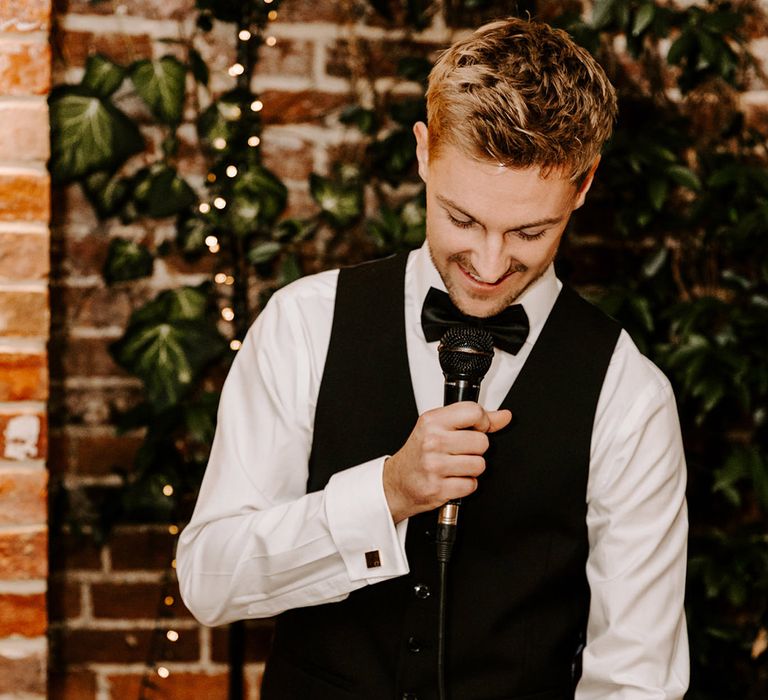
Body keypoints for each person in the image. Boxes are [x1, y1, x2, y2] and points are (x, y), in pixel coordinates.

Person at [177, 17, 689, 700]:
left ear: (584, 184)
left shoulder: (629, 395)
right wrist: (387, 493)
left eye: (529, 232)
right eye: (462, 219)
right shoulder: (304, 325)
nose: (488, 263)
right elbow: (210, 581)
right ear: (424, 152)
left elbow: (635, 679)